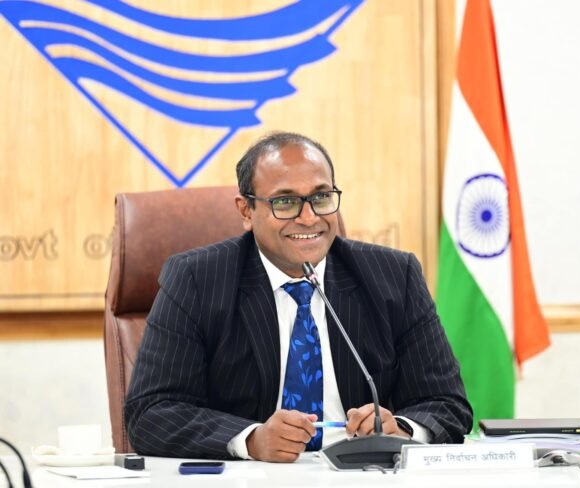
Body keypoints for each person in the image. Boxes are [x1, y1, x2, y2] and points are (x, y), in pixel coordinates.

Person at [125, 132, 473, 462]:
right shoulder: (197, 280)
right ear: (246, 211)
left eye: (320, 198)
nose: (309, 218)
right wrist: (250, 440)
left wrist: (401, 430)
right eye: (286, 202)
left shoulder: (394, 276)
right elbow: (151, 413)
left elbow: (447, 404)